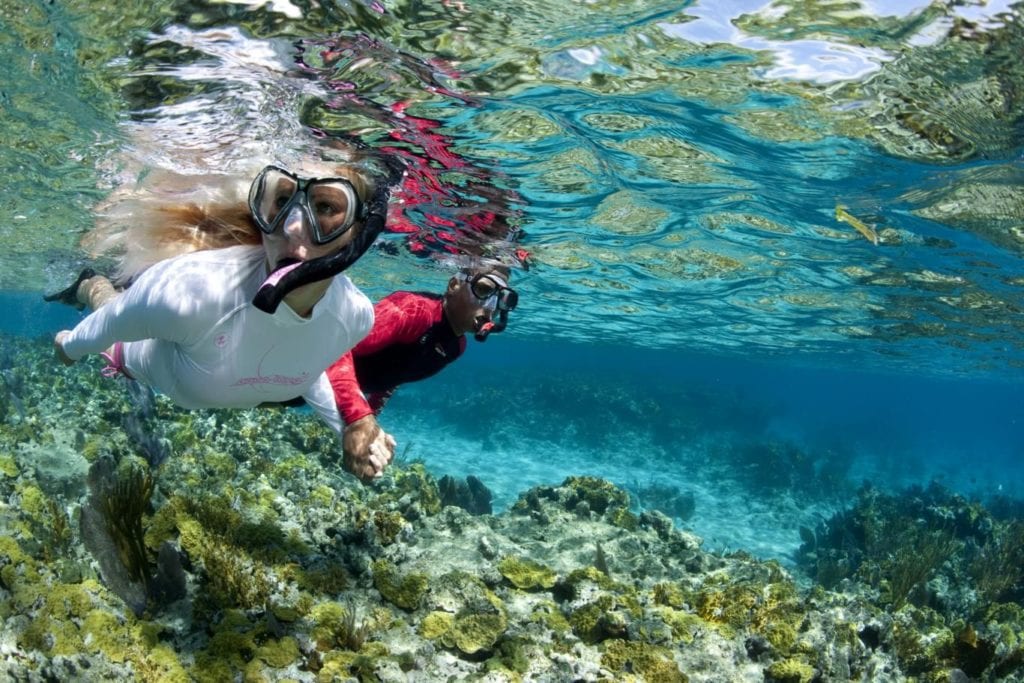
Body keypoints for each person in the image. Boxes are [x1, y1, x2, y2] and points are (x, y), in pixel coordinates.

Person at [48, 155, 403, 474]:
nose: (291, 227)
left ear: (360, 231)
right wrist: (69, 347)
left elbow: (304, 364)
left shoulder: (355, 317)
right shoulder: (188, 295)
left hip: (200, 375)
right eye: (281, 202)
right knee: (109, 305)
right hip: (146, 356)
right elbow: (110, 324)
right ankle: (89, 282)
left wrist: (350, 428)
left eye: (325, 207)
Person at [328, 264, 518, 481]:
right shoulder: (413, 311)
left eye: (502, 298)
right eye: (484, 290)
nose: (491, 307)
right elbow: (335, 348)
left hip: (317, 388)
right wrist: (359, 420)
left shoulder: (456, 347)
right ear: (454, 285)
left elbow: (396, 374)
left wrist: (370, 429)